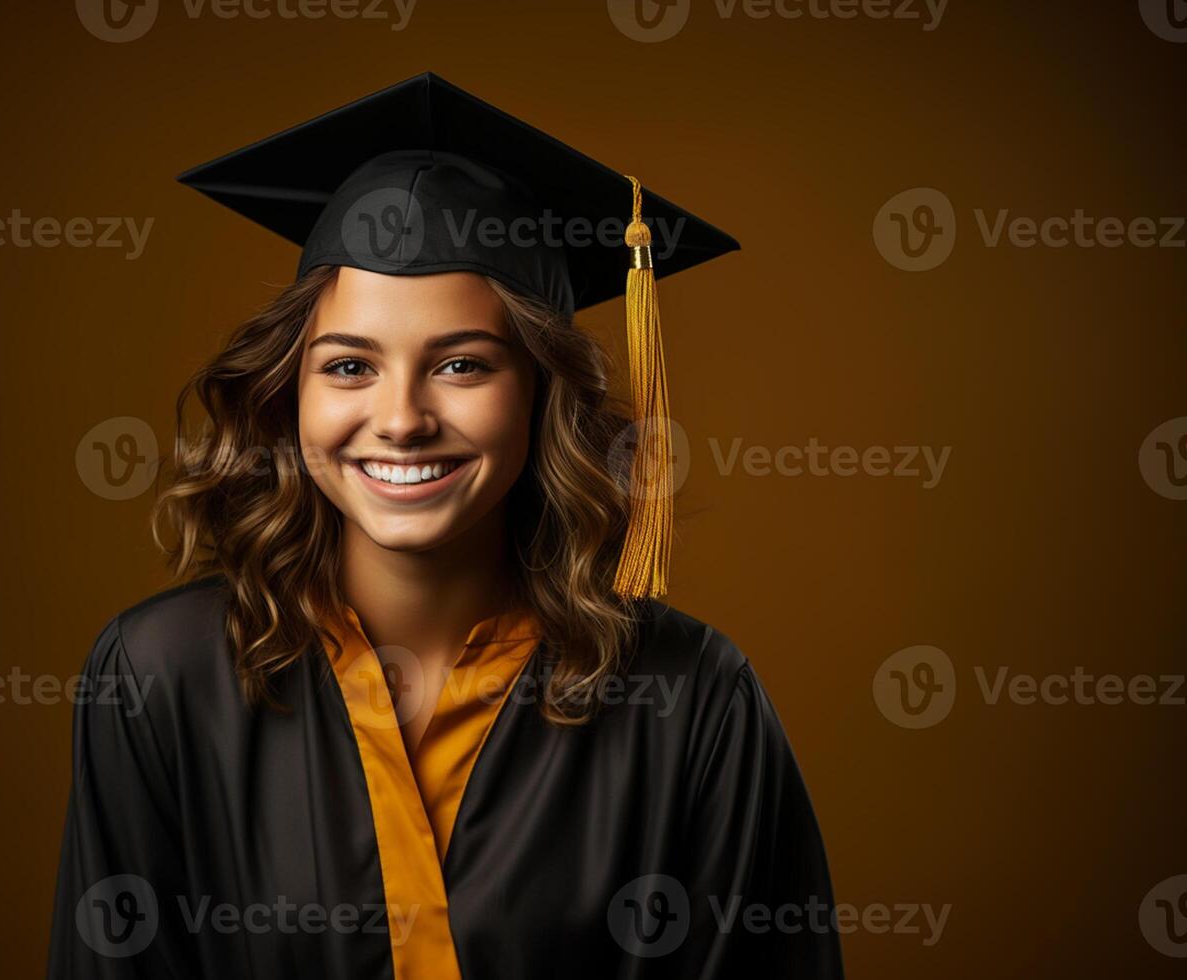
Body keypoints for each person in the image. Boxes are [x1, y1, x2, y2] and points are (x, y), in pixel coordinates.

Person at [47, 72, 844, 980]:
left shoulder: (692, 700)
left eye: (462, 365)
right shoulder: (162, 678)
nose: (401, 418)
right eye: (349, 367)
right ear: (287, 390)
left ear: (543, 395)